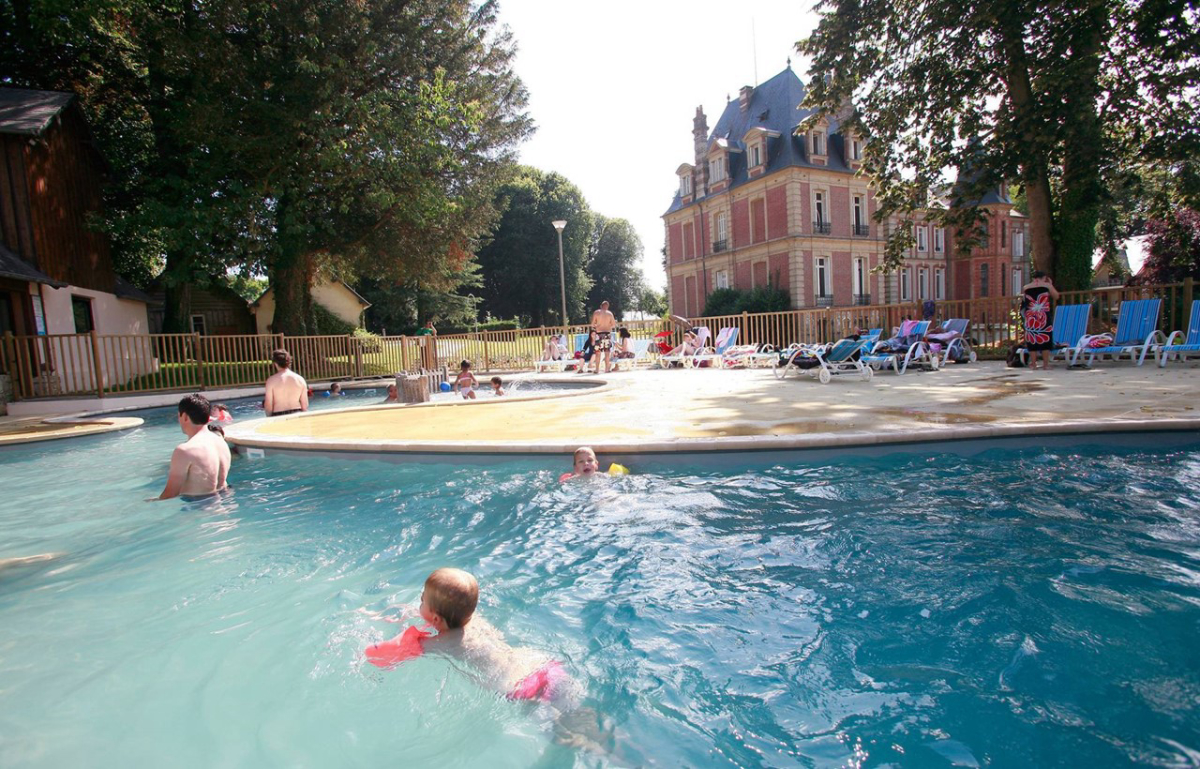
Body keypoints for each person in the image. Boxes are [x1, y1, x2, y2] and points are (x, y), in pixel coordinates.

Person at [365, 568, 575, 705]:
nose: (418, 604)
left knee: (562, 734)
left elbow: (396, 652)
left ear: (436, 618)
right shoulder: (474, 619)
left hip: (519, 688)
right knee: (576, 720)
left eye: (421, 601)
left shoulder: (443, 643)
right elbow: (442, 616)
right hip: (540, 666)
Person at [156, 394, 232, 500]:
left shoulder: (185, 450)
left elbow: (171, 493)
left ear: (185, 417)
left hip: (199, 506)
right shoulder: (220, 441)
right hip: (226, 498)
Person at [1022, 271, 1060, 370]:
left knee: (1032, 339)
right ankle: (1045, 365)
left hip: (1030, 316)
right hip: (1043, 315)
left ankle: (1034, 364)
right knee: (1046, 338)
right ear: (1044, 277)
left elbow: (1025, 300)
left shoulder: (1026, 287)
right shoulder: (1046, 285)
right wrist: (1050, 284)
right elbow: (1056, 296)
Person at [264, 348, 309, 416]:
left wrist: (269, 418)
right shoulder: (300, 379)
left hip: (278, 415)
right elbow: (305, 405)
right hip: (297, 413)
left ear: (275, 363)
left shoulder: (271, 381)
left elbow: (268, 405)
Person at [590, 300, 617, 373]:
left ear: (601, 306)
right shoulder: (610, 313)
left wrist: (597, 325)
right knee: (607, 352)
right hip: (607, 334)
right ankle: (607, 369)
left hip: (599, 334)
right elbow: (614, 325)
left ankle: (597, 369)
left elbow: (592, 324)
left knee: (597, 352)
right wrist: (608, 326)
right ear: (607, 307)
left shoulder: (596, 312)